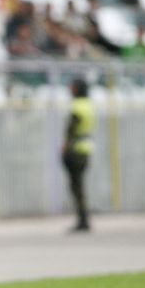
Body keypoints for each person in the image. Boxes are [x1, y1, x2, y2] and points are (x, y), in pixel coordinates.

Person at [62, 79, 95, 232]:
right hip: (86, 148)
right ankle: (83, 218)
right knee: (79, 185)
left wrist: (66, 146)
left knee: (76, 186)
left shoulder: (77, 106)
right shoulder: (88, 105)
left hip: (75, 149)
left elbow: (72, 127)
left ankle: (83, 219)